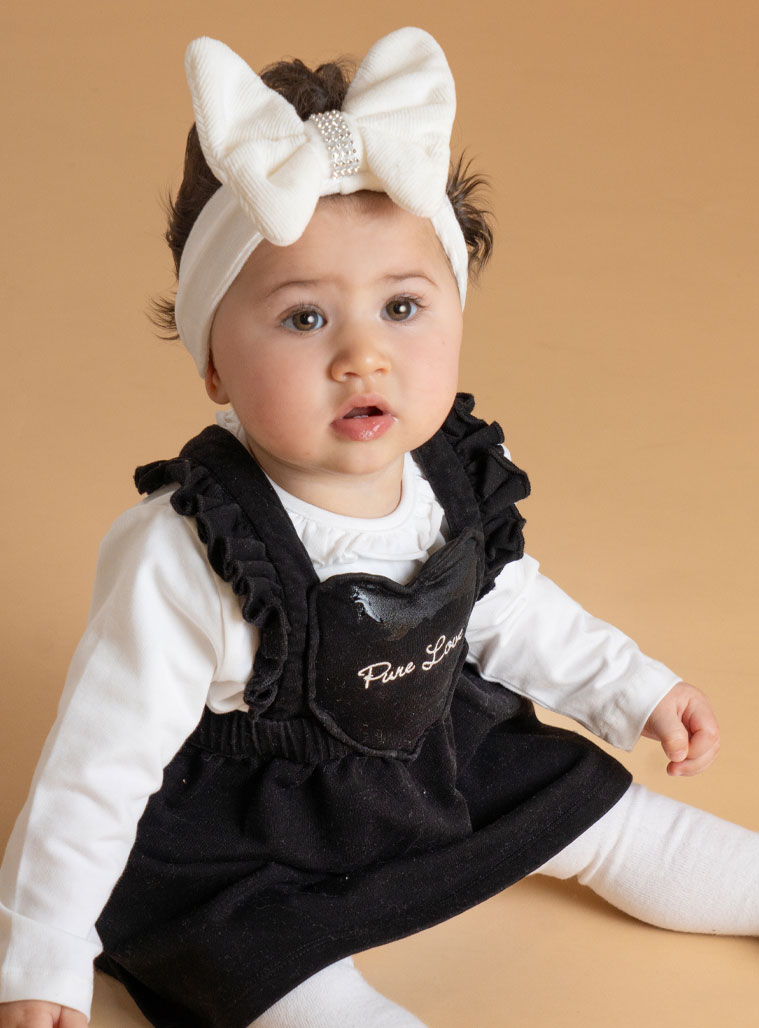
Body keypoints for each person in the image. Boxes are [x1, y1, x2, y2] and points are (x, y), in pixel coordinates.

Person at [0, 26, 756, 1028]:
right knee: (260, 963)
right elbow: (96, 766)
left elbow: (506, 606)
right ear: (214, 361)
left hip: (435, 758)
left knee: (612, 820)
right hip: (251, 833)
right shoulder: (189, 550)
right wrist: (43, 953)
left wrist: (635, 687)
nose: (363, 355)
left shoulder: (450, 475)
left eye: (402, 306)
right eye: (305, 318)